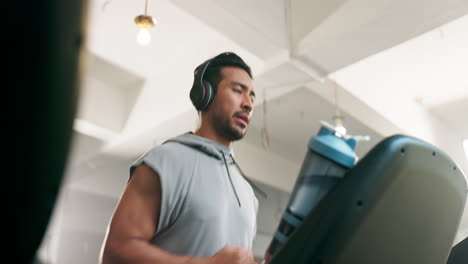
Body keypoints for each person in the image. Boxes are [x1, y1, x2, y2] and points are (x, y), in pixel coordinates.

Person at [100, 52, 265, 264]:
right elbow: (114, 253)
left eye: (251, 96)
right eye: (237, 91)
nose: (248, 104)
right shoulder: (165, 162)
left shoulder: (248, 193)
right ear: (205, 94)